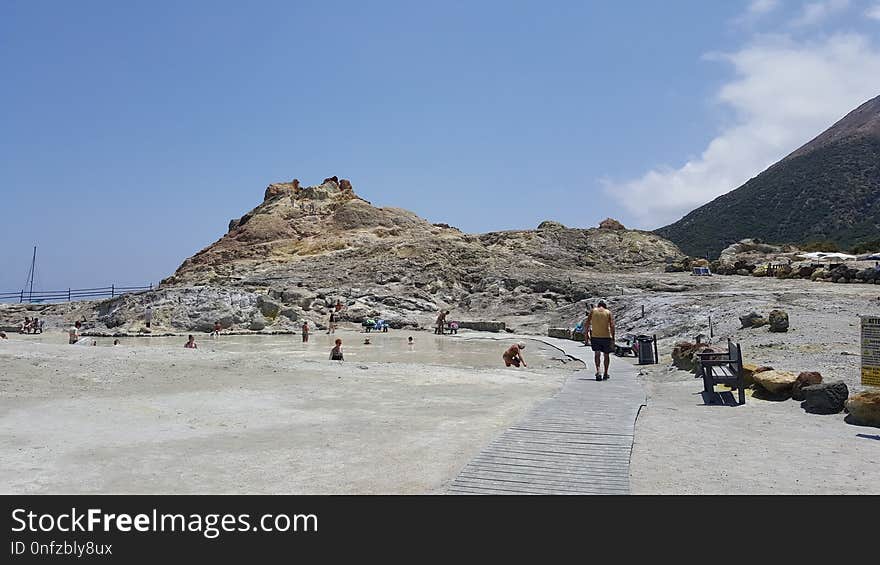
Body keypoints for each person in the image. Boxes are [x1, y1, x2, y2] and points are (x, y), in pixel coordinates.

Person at [586, 300, 615, 381]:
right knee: (606, 355)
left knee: (597, 354)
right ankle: (605, 373)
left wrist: (586, 336)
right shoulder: (608, 312)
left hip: (595, 337)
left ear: (598, 305)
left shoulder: (593, 311)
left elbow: (587, 323)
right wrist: (613, 337)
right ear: (605, 306)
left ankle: (598, 371)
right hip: (606, 337)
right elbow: (612, 325)